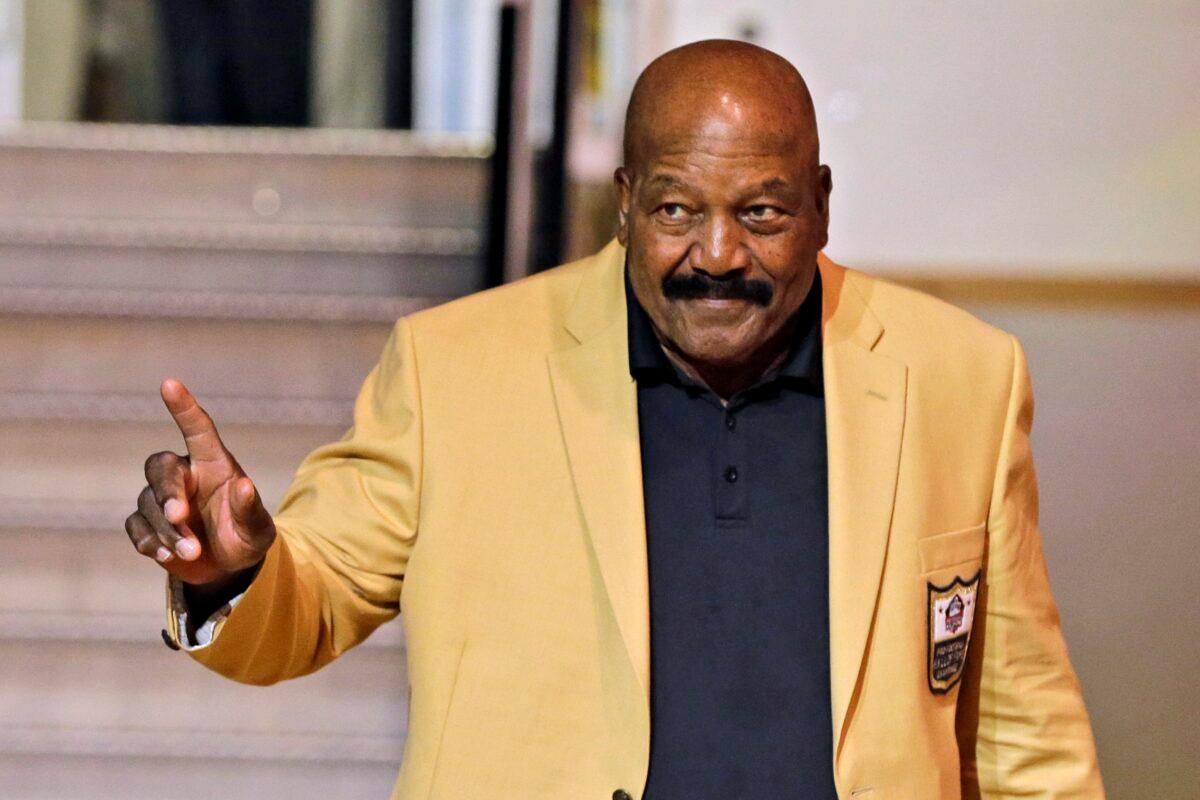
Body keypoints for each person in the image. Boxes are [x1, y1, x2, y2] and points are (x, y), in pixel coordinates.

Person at [124, 40, 1103, 799]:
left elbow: (1028, 734)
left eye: (761, 212)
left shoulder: (961, 376)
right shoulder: (454, 367)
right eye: (678, 209)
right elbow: (314, 598)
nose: (717, 253)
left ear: (822, 204)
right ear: (626, 204)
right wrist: (237, 568)